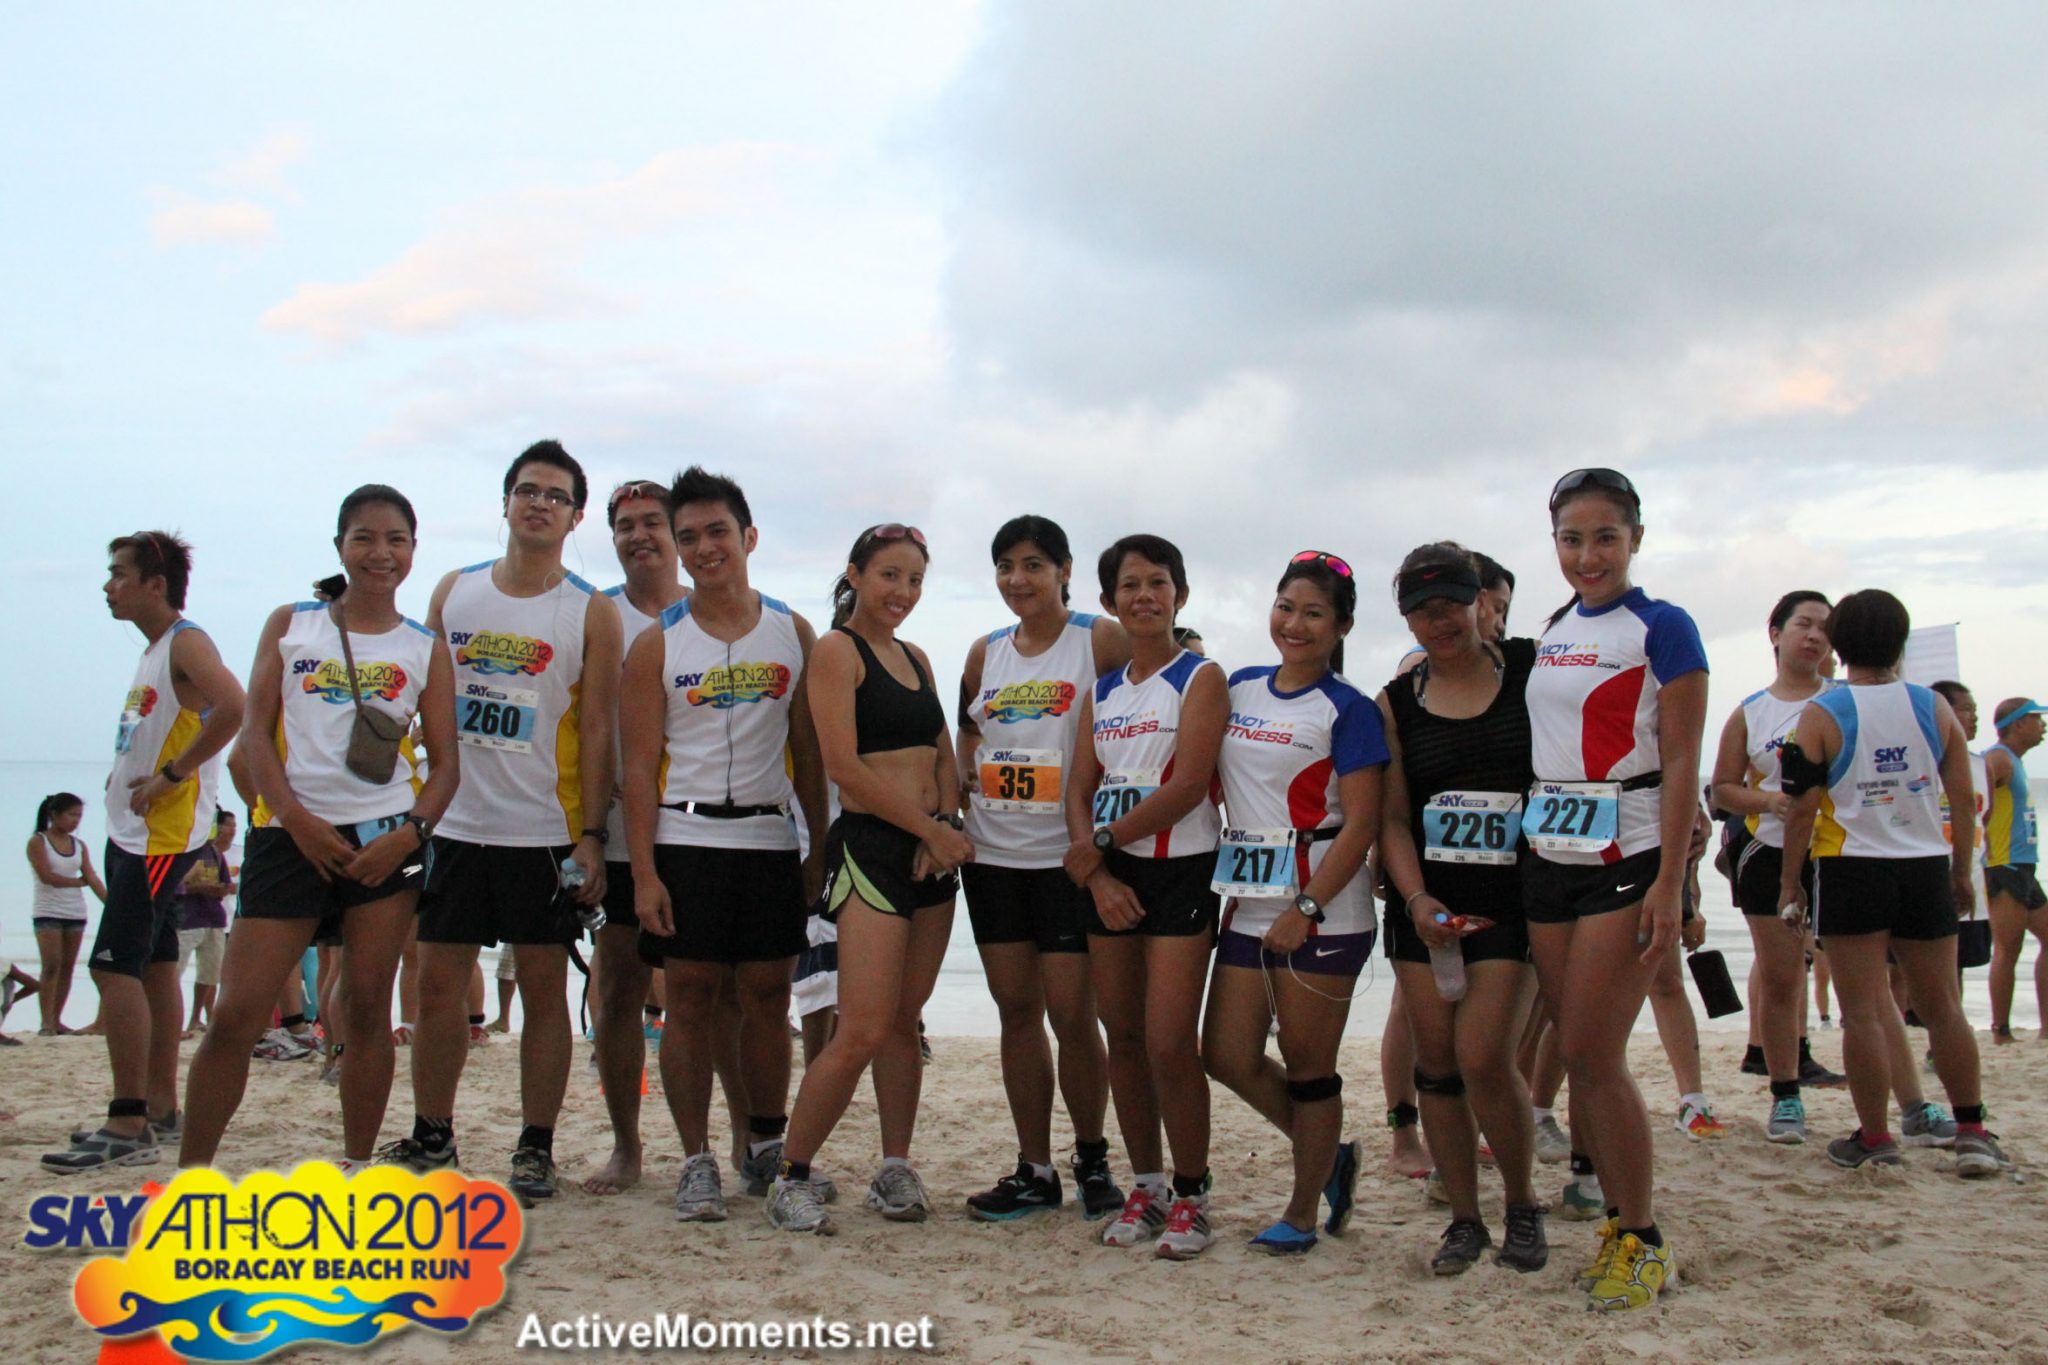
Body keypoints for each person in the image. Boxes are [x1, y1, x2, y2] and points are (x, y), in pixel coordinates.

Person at [179, 485, 457, 1171]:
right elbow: (253, 736)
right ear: (340, 546)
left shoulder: (425, 647)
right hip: (289, 838)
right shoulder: (292, 623)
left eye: (395, 540)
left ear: (413, 552)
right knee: (237, 1013)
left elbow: (448, 766)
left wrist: (410, 834)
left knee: (366, 1009)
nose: (380, 553)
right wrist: (294, 819)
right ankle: (189, 1177)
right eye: (364, 537)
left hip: (385, 842)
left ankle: (356, 1165)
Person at [380, 440, 622, 1203]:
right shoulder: (456, 590)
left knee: (545, 989)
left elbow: (601, 732)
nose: (539, 503)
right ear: (507, 502)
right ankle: (434, 1132)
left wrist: (592, 836)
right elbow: (419, 695)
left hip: (543, 830)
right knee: (438, 987)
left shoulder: (592, 610)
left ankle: (535, 1146)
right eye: (527, 490)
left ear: (576, 514)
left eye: (555, 494)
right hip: (452, 824)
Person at [1523, 469, 1707, 1311]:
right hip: (1549, 854)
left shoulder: (1664, 627)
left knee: (1595, 1052)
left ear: (1635, 537)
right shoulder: (1558, 624)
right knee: (1573, 1045)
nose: (1588, 554)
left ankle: (1643, 1237)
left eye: (1604, 537)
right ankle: (1616, 1219)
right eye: (1571, 538)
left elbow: (1680, 764)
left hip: (1626, 854)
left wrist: (1673, 880)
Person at [624, 467, 827, 1221]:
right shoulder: (656, 643)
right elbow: (636, 768)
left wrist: (820, 849)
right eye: (688, 538)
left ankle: (766, 1146)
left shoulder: (792, 631)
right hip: (687, 836)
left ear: (747, 537)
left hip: (771, 838)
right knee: (691, 1001)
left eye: (717, 533)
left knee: (770, 999)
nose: (704, 549)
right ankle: (696, 1158)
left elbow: (808, 752)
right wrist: (645, 873)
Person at [765, 523, 970, 1234]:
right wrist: (927, 830)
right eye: (888, 575)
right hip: (876, 853)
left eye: (914, 579)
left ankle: (894, 1164)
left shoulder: (915, 656)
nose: (902, 592)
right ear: (855, 574)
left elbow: (942, 751)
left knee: (903, 1025)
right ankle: (791, 1172)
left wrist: (942, 822)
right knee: (860, 1027)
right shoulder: (835, 651)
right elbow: (845, 771)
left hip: (930, 853)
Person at [1777, 589, 2002, 1177]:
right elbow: (1961, 800)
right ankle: (1973, 1130)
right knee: (1944, 1008)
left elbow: (1800, 809)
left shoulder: (1822, 713)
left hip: (1853, 868)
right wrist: (1959, 872)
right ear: (1900, 643)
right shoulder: (1935, 708)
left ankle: (1875, 1137)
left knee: (1862, 1014)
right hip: (1925, 865)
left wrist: (1790, 887)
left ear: (1838, 646)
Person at [1203, 551, 1386, 1256]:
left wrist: (1305, 907)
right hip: (1249, 902)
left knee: (1309, 1065)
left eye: (1314, 613)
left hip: (1324, 909)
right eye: (1286, 607)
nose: (1295, 623)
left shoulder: (1350, 708)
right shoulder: (1240, 686)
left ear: (1340, 626)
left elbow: (1362, 824)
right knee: (1224, 1054)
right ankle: (1331, 1153)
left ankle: (1305, 1207)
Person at [44, 532, 245, 1173]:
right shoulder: (155, 652)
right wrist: (126, 771)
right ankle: (160, 1108)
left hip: (160, 839)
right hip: (134, 834)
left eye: (119, 574)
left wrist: (173, 777)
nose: (109, 586)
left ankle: (127, 1117)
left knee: (112, 967)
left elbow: (233, 708)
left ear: (155, 584)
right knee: (157, 967)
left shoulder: (187, 640)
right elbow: (158, 729)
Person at [1375, 544, 1545, 1273]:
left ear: (1483, 600)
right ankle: (1466, 1219)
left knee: (1484, 1057)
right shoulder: (1396, 700)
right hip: (1427, 906)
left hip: (1515, 904)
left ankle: (1522, 1202)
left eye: (1450, 602)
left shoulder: (1534, 672)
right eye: (1421, 608)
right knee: (1437, 1066)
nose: (1438, 620)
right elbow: (1391, 820)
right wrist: (1414, 897)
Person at [955, 515, 1127, 1222]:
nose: (1017, 579)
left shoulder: (1098, 637)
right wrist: (964, 781)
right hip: (994, 857)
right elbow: (966, 730)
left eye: (1032, 564)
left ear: (1064, 570)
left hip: (1069, 859)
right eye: (1005, 566)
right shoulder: (985, 650)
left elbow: (1137, 713)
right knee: (1016, 1011)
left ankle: (1092, 1157)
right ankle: (1034, 1165)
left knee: (1072, 1014)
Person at [1064, 534, 1228, 1260]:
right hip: (1110, 880)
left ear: (1179, 595)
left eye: (1157, 582)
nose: (1143, 596)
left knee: (1168, 1040)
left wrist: (1100, 845)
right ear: (1109, 603)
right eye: (1128, 585)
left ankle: (1193, 1193)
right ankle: (1149, 1184)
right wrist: (1097, 875)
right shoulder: (1100, 692)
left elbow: (1189, 782)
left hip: (1181, 871)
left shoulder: (1202, 677)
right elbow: (1078, 789)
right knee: (1122, 1037)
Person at [581, 477, 689, 1196]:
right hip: (621, 836)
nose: (639, 534)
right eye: (625, 524)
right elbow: (583, 727)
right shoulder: (598, 615)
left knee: (718, 994)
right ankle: (627, 1145)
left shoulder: (714, 609)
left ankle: (736, 1141)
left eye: (653, 522)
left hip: (704, 832)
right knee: (616, 986)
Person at [1709, 591, 1834, 1143]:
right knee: (1784, 979)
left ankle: (1900, 1102)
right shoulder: (1751, 710)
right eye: (1802, 624)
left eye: (1824, 628)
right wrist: (1771, 803)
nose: (1813, 636)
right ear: (1776, 634)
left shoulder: (1845, 701)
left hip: (1841, 853)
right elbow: (1723, 788)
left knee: (1865, 985)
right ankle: (1785, 1095)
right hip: (1768, 852)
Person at [1984, 696, 2045, 1041]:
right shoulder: (1998, 759)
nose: (2043, 726)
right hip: (2002, 865)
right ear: (2018, 723)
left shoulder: (2016, 762)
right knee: (2008, 948)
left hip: (2025, 865)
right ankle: (2000, 1030)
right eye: (2037, 719)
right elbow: (1972, 800)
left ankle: (2045, 1029)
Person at [27, 793, 106, 1035]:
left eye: (79, 816)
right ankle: (46, 1022)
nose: (76, 820)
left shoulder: (79, 845)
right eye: (72, 814)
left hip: (75, 912)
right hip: (47, 911)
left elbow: (91, 876)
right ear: (54, 815)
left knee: (68, 967)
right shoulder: (38, 841)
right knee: (52, 964)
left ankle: (57, 1019)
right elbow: (47, 876)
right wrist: (77, 883)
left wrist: (111, 905)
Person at [174, 809, 237, 1035]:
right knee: (174, 972)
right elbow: (176, 886)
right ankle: (175, 1023)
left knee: (210, 974)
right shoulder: (186, 851)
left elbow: (225, 885)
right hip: (187, 918)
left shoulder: (215, 853)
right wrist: (201, 887)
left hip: (213, 917)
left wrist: (221, 889)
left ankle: (195, 1018)